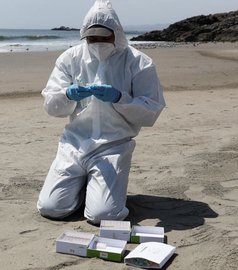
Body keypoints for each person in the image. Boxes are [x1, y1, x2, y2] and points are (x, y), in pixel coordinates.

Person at [36, 0, 166, 225]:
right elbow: (50, 104)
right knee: (51, 208)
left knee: (103, 216)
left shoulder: (138, 62)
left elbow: (151, 110)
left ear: (116, 33)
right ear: (84, 36)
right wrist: (67, 95)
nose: (98, 43)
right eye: (92, 38)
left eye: (104, 37)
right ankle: (86, 187)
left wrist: (119, 99)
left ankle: (100, 190)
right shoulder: (70, 58)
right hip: (74, 143)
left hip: (113, 144)